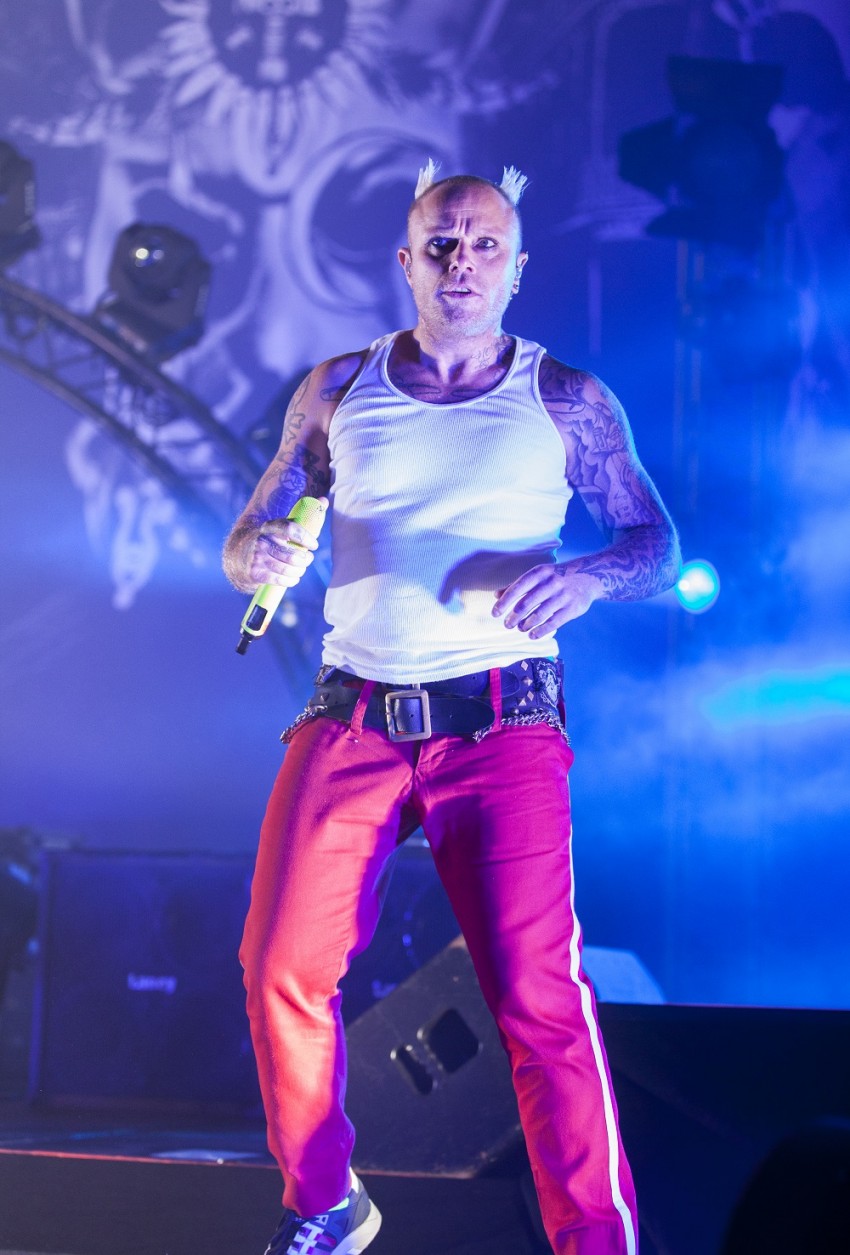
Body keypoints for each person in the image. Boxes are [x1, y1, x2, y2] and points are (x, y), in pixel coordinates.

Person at [222, 160, 680, 1255]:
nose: (460, 263)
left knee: (537, 997)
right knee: (280, 965)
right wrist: (255, 556)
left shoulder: (565, 397)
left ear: (517, 268)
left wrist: (586, 577)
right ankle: (324, 1200)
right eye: (441, 245)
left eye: (483, 247)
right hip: (352, 717)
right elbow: (251, 533)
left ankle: (594, 1240)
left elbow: (656, 544)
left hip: (502, 725)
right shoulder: (340, 386)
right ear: (406, 261)